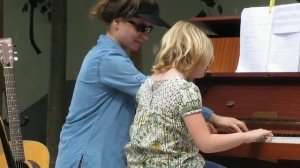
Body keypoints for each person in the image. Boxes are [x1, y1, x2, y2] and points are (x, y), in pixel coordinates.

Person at [55, 0, 249, 167]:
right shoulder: (106, 58)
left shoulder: (113, 57)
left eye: (149, 28)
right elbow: (162, 92)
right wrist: (211, 117)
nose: (146, 34)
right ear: (116, 22)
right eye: (140, 27)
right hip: (88, 157)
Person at [125, 20, 273, 168]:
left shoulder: (148, 83)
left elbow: (163, 129)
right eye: (207, 58)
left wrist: (193, 132)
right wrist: (248, 136)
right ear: (194, 55)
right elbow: (207, 145)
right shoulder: (186, 89)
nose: (208, 65)